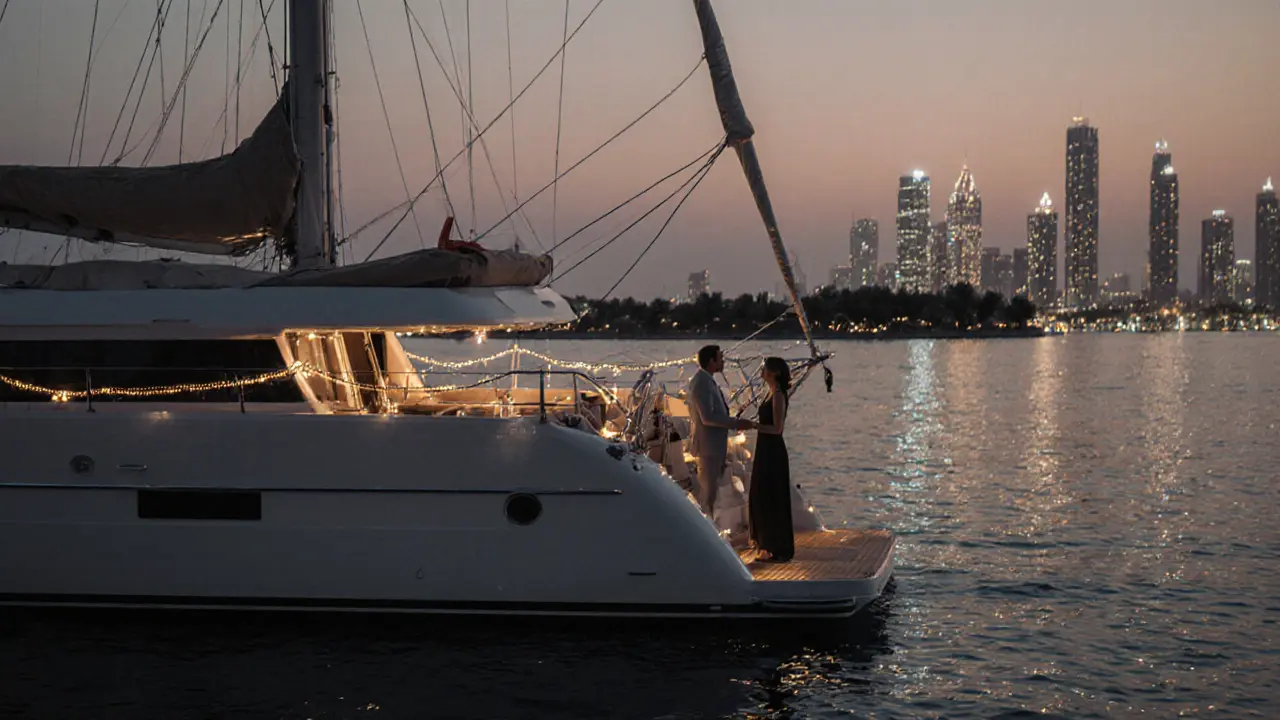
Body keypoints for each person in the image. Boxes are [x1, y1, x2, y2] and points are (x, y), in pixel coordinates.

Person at [687, 345, 755, 515]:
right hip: (708, 448)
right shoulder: (702, 382)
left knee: (712, 493)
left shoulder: (707, 380)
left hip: (713, 447)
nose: (723, 361)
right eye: (720, 358)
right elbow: (707, 417)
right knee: (708, 494)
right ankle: (704, 532)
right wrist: (736, 423)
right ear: (711, 361)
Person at [749, 356, 794, 562]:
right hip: (764, 448)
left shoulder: (777, 396)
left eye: (765, 369)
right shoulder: (770, 393)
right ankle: (765, 544)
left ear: (774, 372)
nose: (761, 372)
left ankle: (773, 547)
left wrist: (753, 426)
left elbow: (777, 429)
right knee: (760, 494)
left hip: (772, 450)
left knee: (769, 496)